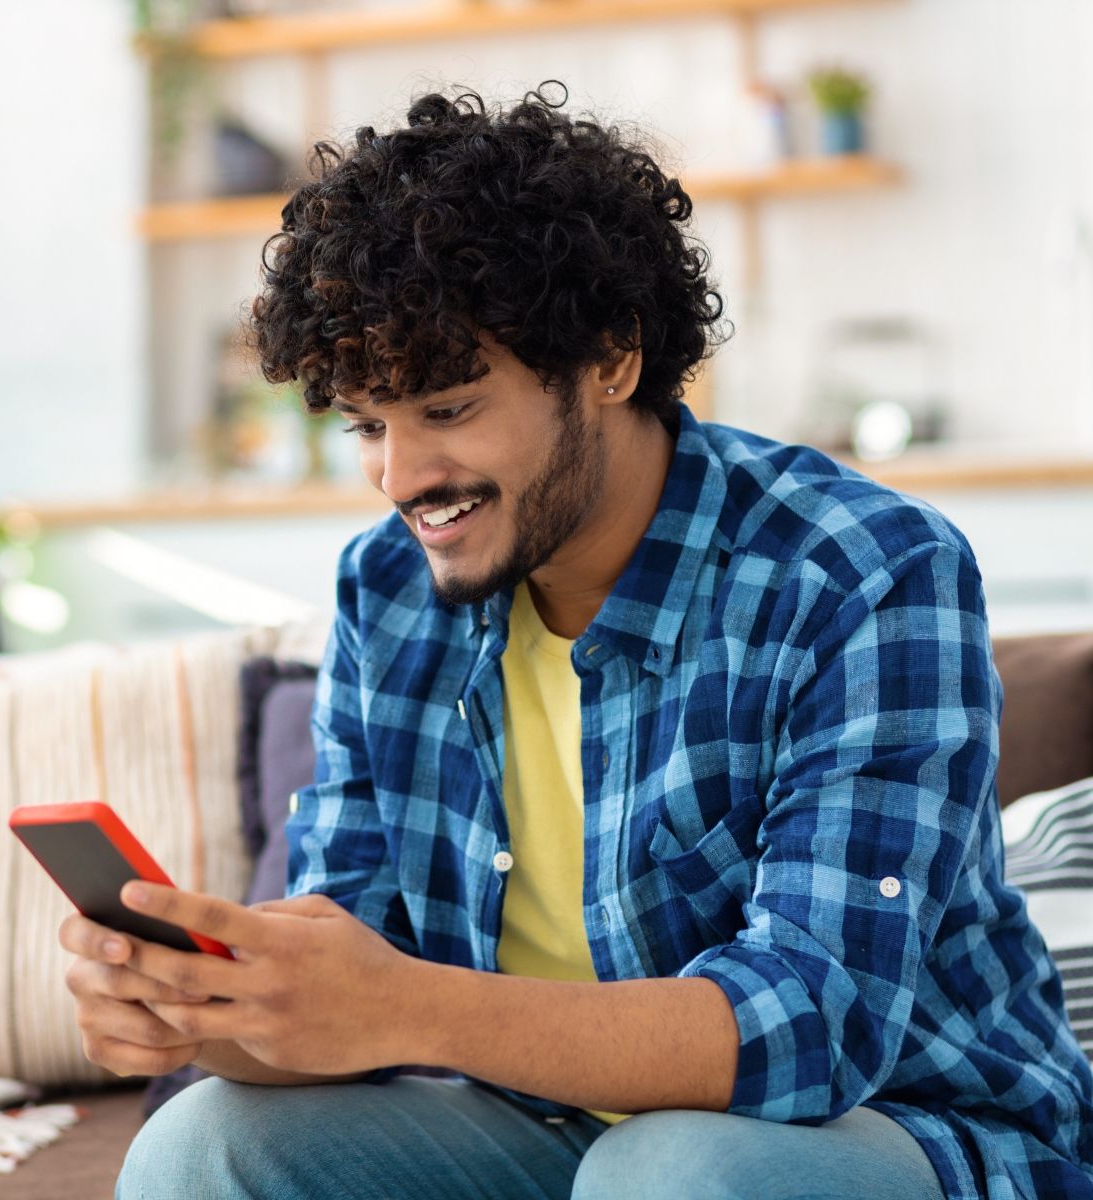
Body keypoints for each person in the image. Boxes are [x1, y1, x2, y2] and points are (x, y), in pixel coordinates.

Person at [62, 83, 1093, 1200]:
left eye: (448, 410)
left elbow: (815, 1028)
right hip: (550, 1133)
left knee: (676, 1171)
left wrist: (405, 1004)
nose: (402, 481)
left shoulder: (861, 573)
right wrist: (197, 1013)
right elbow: (344, 974)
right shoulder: (392, 591)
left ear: (609, 358)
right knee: (202, 1144)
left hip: (889, 1133)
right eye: (368, 425)